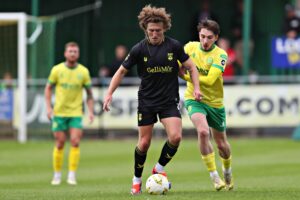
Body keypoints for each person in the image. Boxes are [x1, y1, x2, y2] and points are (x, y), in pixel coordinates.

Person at [102, 5, 202, 195]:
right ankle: (136, 180)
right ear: (145, 29)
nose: (154, 34)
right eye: (151, 31)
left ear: (164, 28)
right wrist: (109, 93)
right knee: (144, 143)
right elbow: (121, 71)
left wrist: (196, 88)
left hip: (168, 101)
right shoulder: (139, 49)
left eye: (157, 30)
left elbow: (192, 67)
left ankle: (158, 168)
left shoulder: (174, 46)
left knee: (176, 137)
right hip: (147, 101)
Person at [179, 19, 234, 191]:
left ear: (216, 38)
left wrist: (187, 76)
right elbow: (176, 67)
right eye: (202, 36)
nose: (205, 41)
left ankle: (227, 171)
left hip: (215, 103)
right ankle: (215, 177)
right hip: (194, 99)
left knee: (222, 145)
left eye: (209, 37)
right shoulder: (189, 48)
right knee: (203, 132)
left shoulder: (221, 55)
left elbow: (210, 80)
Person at [44, 42, 94, 186]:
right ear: (65, 53)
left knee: (75, 141)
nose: (72, 53)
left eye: (75, 51)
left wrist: (90, 111)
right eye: (70, 51)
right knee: (59, 143)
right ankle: (57, 175)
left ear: (78, 54)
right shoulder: (57, 70)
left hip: (76, 112)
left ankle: (72, 175)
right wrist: (48, 108)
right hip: (59, 112)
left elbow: (89, 94)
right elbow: (48, 89)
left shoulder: (83, 72)